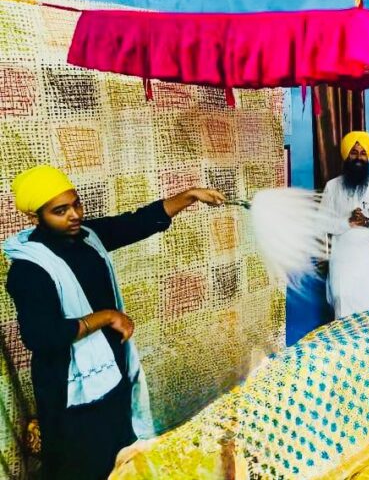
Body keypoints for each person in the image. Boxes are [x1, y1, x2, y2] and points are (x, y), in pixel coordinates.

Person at [3, 165, 225, 479]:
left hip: (112, 368)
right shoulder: (29, 269)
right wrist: (107, 316)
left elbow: (135, 223)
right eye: (60, 211)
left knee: (120, 456)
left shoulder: (87, 237)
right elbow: (41, 336)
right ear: (33, 216)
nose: (74, 215)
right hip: (69, 389)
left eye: (76, 204)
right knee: (81, 465)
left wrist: (189, 196)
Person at [320, 131, 369, 318]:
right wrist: (348, 222)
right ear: (346, 155)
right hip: (343, 263)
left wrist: (368, 222)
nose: (358, 157)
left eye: (363, 153)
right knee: (343, 311)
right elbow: (321, 223)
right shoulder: (332, 187)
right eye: (353, 152)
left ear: (368, 157)